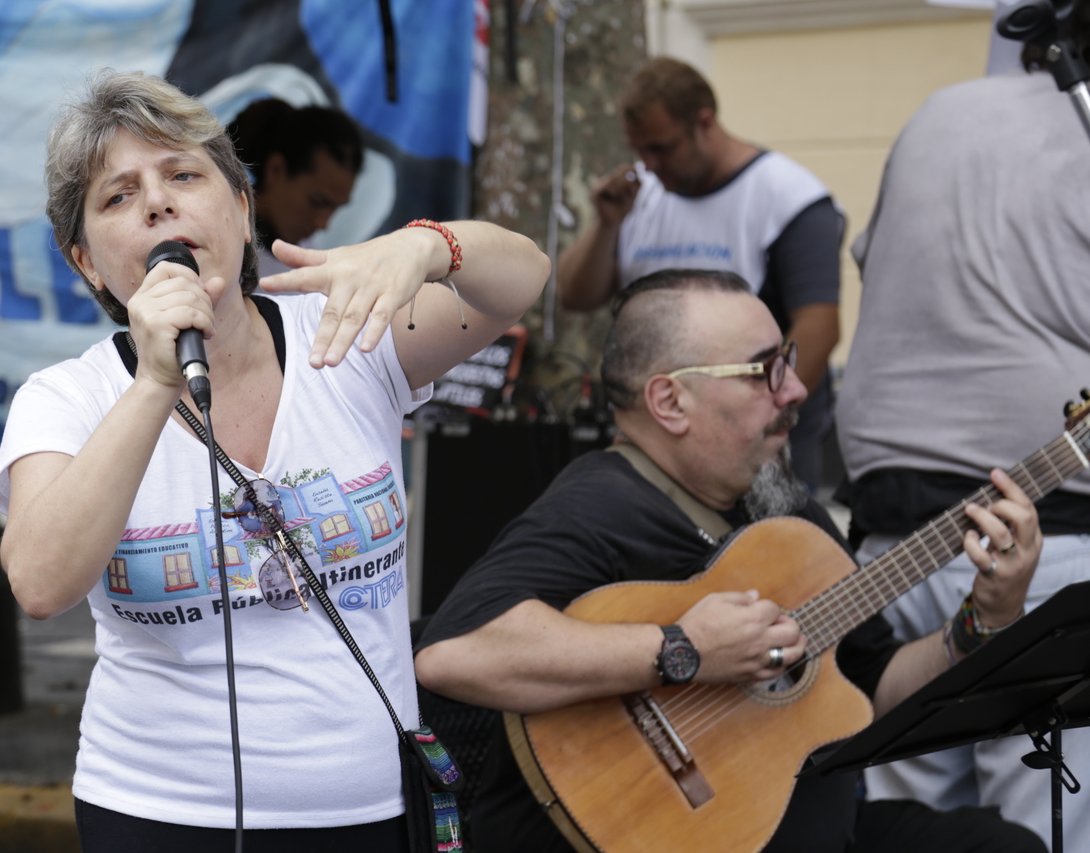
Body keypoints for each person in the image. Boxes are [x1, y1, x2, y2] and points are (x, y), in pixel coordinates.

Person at [0, 71, 548, 852]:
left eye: (183, 175)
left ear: (243, 206)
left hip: (374, 812)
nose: (158, 204)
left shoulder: (345, 335)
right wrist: (154, 384)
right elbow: (41, 582)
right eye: (119, 196)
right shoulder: (68, 397)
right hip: (161, 819)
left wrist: (428, 246)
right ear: (86, 261)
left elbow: (521, 280)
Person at [413, 269, 1046, 853]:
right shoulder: (598, 506)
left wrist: (983, 619)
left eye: (787, 361)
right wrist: (683, 649)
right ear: (670, 402)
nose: (796, 388)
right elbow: (455, 654)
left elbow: (874, 688)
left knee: (1001, 847)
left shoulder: (786, 507)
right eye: (764, 370)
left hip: (801, 829)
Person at [834, 7, 1090, 847]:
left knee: (922, 834)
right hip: (1047, 539)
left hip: (890, 552)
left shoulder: (943, 109)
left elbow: (876, 258)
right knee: (1047, 828)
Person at [556, 57, 842, 490]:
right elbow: (574, 295)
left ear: (704, 122)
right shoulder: (641, 195)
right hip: (653, 451)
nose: (650, 164)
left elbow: (819, 326)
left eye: (662, 148)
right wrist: (607, 224)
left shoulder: (786, 197)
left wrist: (761, 417)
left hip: (758, 454)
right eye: (639, 150)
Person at [226, 98, 363, 276]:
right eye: (316, 202)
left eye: (335, 208)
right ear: (276, 170)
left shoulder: (311, 264)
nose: (323, 224)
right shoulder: (216, 245)